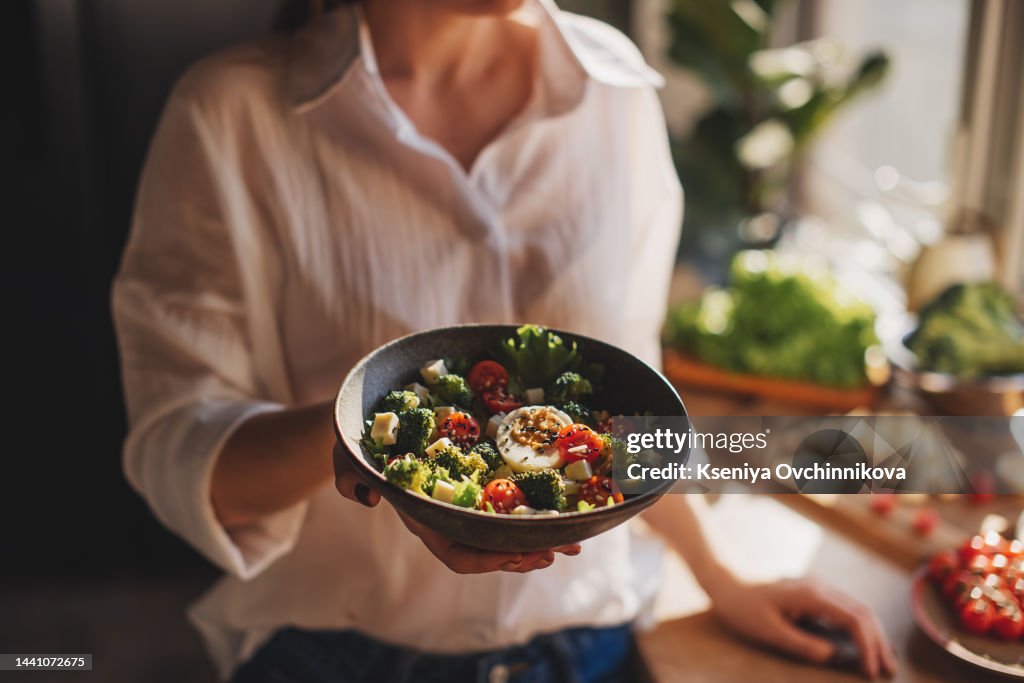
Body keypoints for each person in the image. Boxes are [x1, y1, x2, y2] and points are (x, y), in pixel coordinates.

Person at [112, 0, 898, 681]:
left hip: (587, 648)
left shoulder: (614, 91)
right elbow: (183, 453)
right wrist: (364, 442)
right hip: (334, 655)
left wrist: (723, 574)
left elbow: (627, 405)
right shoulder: (231, 113)